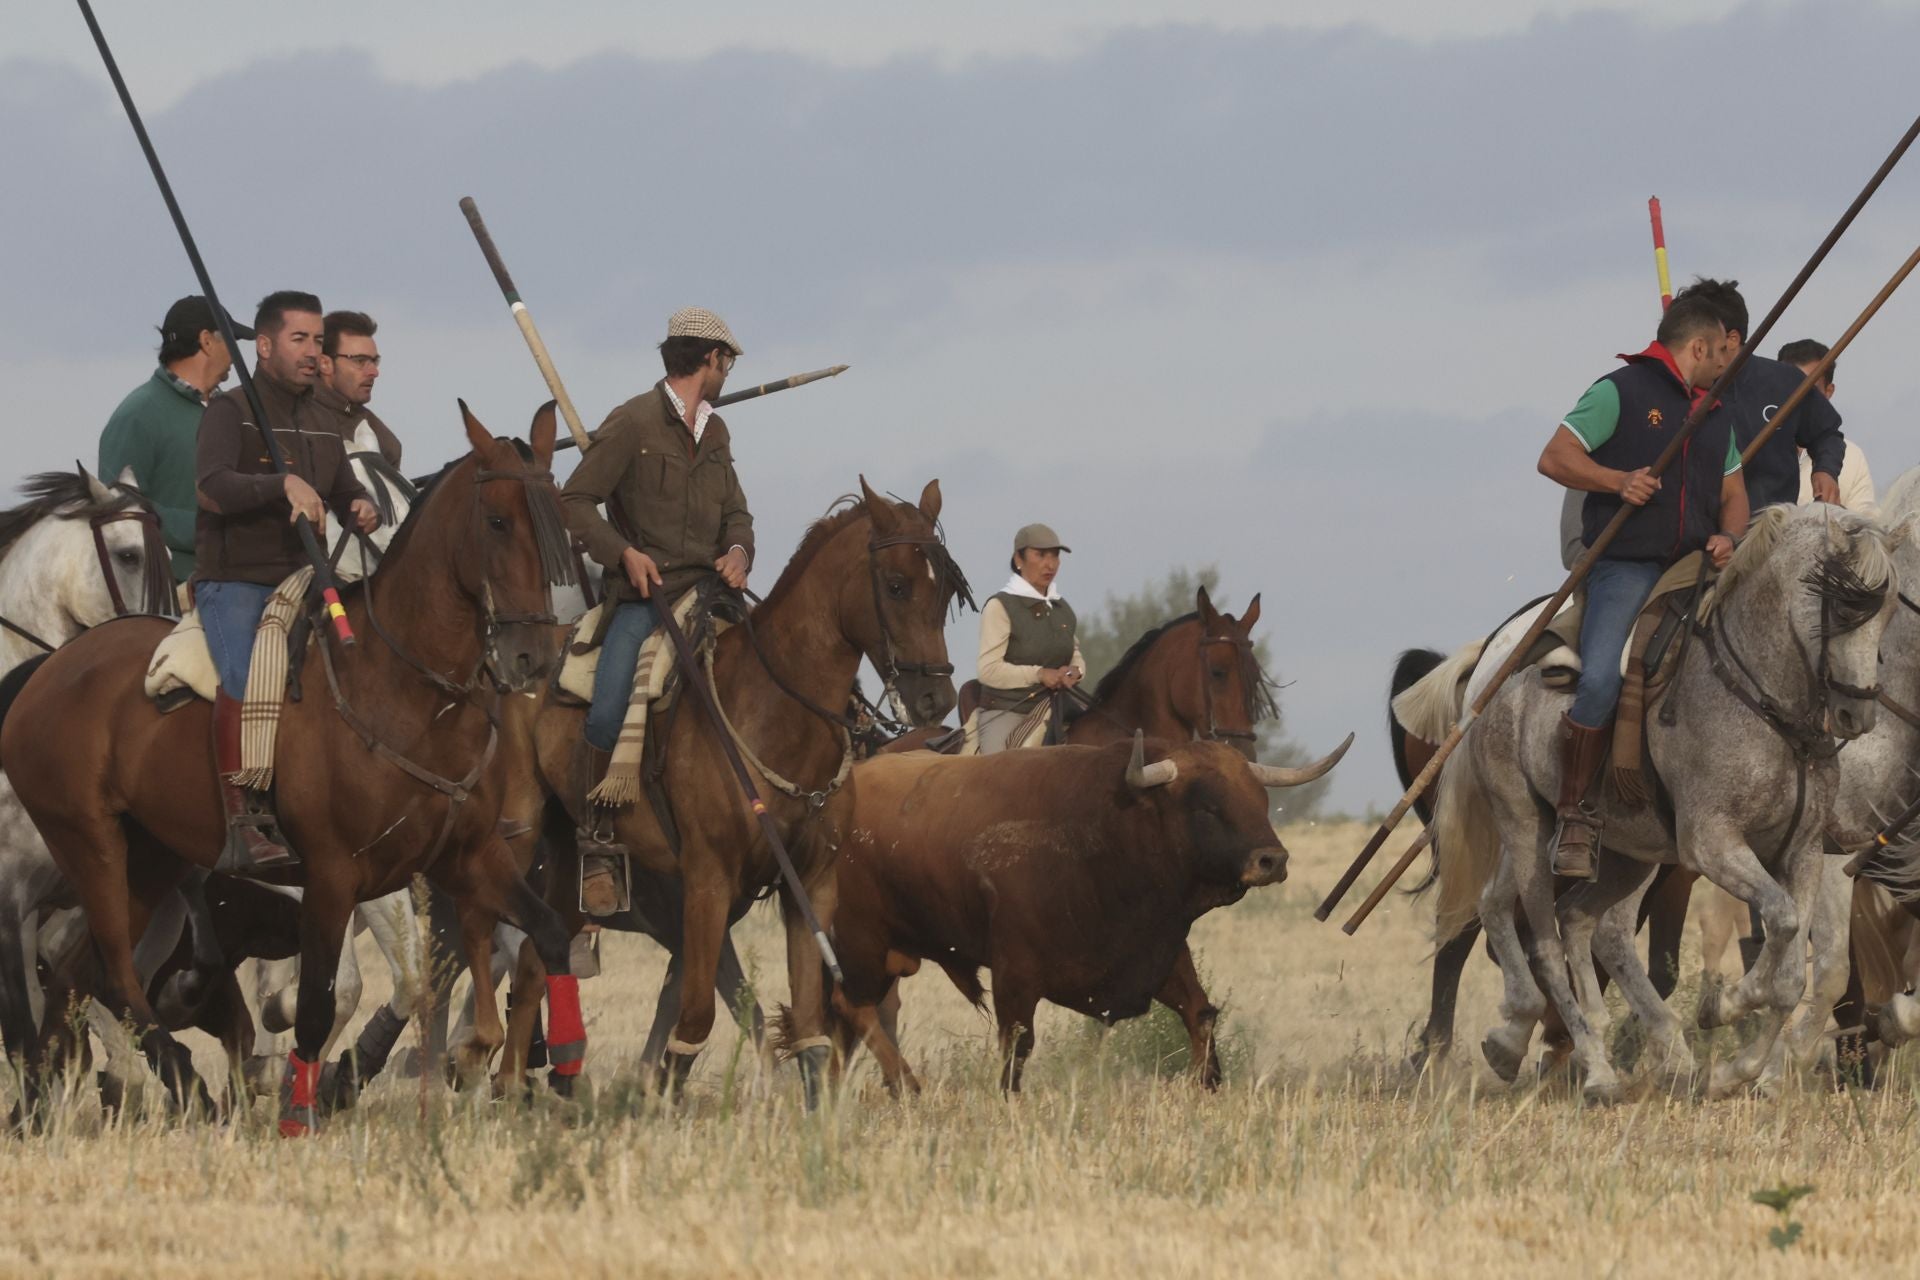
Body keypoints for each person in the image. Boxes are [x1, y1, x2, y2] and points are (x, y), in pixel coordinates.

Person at [1535, 293, 1749, 877]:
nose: (1724, 366)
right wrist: (1616, 480)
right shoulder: (1617, 391)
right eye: (1719, 355)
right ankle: (1575, 813)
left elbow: (1734, 496)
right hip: (1625, 565)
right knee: (1602, 675)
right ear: (1699, 346)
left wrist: (1730, 536)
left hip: (1693, 567)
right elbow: (1554, 458)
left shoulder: (1714, 410)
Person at [560, 307, 754, 915]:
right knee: (610, 701)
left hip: (713, 594)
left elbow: (738, 514)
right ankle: (596, 844)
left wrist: (741, 551)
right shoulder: (632, 422)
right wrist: (623, 554)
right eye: (728, 362)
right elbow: (575, 502)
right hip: (648, 597)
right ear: (711, 360)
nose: (728, 371)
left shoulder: (717, 433)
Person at [195, 290, 380, 871]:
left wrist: (361, 504)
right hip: (237, 582)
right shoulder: (230, 410)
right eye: (300, 339)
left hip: (309, 580)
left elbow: (344, 487)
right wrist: (280, 485)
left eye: (318, 341)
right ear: (267, 344)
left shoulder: (324, 420)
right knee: (249, 679)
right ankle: (244, 818)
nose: (312, 352)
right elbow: (210, 487)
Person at [98, 297, 254, 586]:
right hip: (172, 593)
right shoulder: (138, 414)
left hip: (240, 580)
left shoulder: (235, 412)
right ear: (207, 341)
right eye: (231, 341)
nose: (235, 354)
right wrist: (211, 528)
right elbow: (117, 512)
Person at [1676, 278, 1844, 511]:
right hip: (1704, 537)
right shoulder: (1677, 389)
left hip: (1775, 532)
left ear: (1732, 339)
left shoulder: (1786, 381)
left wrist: (1825, 470)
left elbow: (1826, 434)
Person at [974, 524, 1085, 754]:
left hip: (1058, 705)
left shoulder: (1061, 607)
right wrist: (1038, 674)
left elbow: (1073, 652)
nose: (1050, 564)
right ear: (1018, 559)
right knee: (999, 771)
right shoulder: (1000, 607)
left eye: (1055, 556)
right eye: (1041, 555)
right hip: (1009, 710)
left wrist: (1076, 670)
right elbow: (988, 670)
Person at [1780, 338, 1877, 515]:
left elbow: (1865, 523)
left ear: (1829, 391)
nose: (1798, 398)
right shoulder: (1755, 441)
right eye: (1791, 387)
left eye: (1810, 390)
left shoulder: (1852, 457)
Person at [315, 310, 403, 466]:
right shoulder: (294, 421)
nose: (374, 372)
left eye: (374, 361)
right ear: (325, 364)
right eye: (360, 361)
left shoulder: (385, 441)